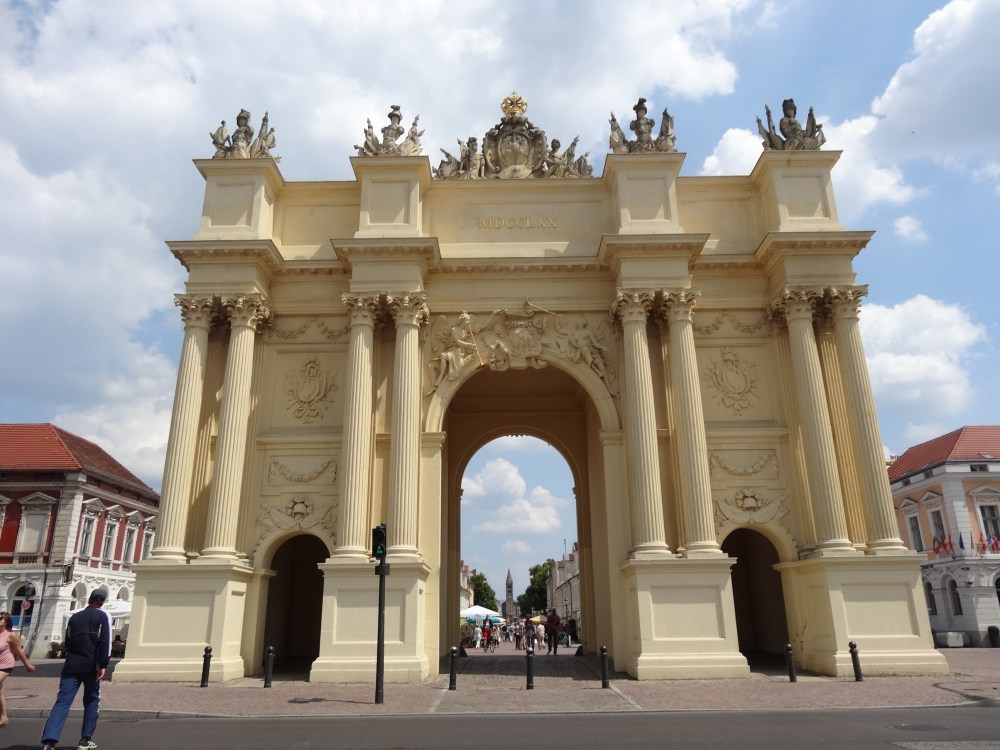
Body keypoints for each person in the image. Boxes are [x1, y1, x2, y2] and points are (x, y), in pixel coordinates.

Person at [40, 589, 112, 750]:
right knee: (92, 700)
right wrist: (103, 665)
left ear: (90, 599)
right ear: (103, 601)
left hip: (72, 665)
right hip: (91, 666)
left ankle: (49, 740)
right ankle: (85, 740)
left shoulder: (75, 617)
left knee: (62, 702)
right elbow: (105, 643)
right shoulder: (103, 616)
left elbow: (69, 641)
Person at [0, 610, 36, 727]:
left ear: (6, 622)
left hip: (5, 665)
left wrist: (27, 665)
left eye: (0, 618)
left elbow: (19, 652)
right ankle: (3, 716)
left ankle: (3, 716)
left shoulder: (11, 635)